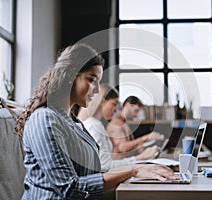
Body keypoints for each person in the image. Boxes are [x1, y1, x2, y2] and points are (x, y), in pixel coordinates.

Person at [14, 43, 177, 199]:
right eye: (91, 80)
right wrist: (133, 170)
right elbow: (70, 188)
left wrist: (142, 168)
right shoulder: (45, 119)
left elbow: (94, 171)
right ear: (69, 76)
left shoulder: (74, 122)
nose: (97, 90)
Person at [77, 84, 159, 170]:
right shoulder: (94, 126)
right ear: (102, 102)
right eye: (114, 104)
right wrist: (140, 157)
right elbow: (105, 166)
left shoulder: (93, 124)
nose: (115, 109)